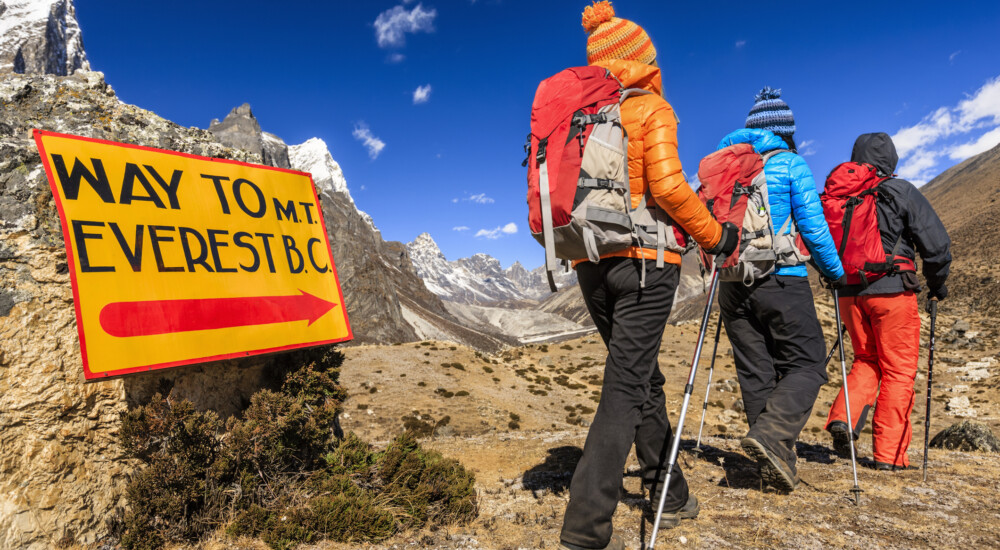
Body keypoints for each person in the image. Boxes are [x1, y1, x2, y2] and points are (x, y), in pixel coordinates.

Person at [559, 3, 738, 550]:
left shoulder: (578, 117)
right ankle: (585, 528)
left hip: (590, 264)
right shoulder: (650, 109)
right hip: (645, 265)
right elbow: (667, 188)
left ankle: (670, 493)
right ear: (640, 60)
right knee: (626, 384)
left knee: (640, 379)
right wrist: (717, 237)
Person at [714, 88, 846, 492]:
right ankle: (772, 438)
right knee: (807, 363)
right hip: (780, 276)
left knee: (756, 371)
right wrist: (835, 273)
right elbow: (814, 228)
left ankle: (776, 462)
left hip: (732, 282)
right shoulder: (790, 164)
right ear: (784, 131)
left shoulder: (722, 167)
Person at [824, 132, 951, 470]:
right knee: (898, 370)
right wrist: (937, 285)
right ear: (890, 160)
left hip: (849, 294)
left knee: (866, 359)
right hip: (892, 293)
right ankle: (890, 456)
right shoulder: (899, 190)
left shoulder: (840, 193)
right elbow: (936, 244)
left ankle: (844, 418)